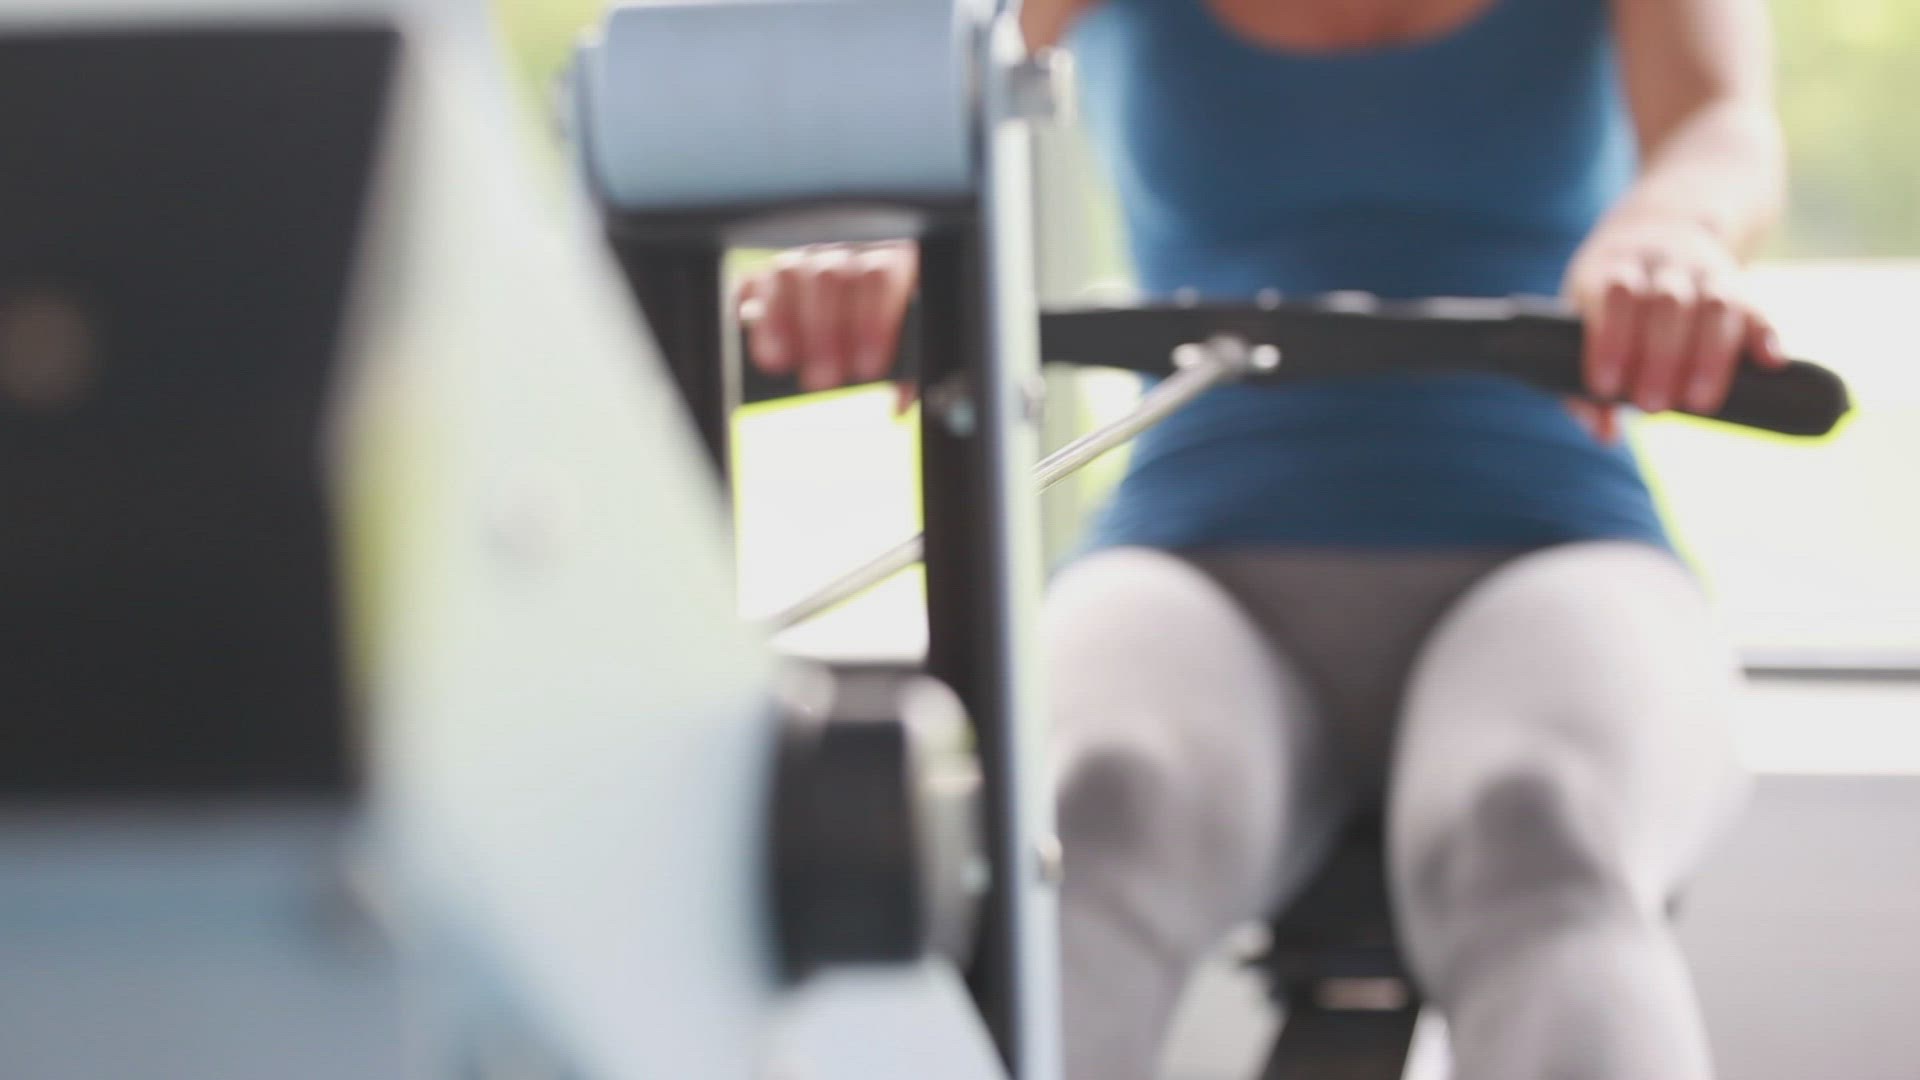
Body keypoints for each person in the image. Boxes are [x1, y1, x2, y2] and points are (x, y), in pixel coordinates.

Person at [738, 0, 1787, 1076]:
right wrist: (885, 229)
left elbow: (1721, 123)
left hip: (1555, 541)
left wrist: (1674, 232)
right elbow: (931, 91)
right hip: (1195, 554)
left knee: (1539, 821)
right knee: (1094, 810)